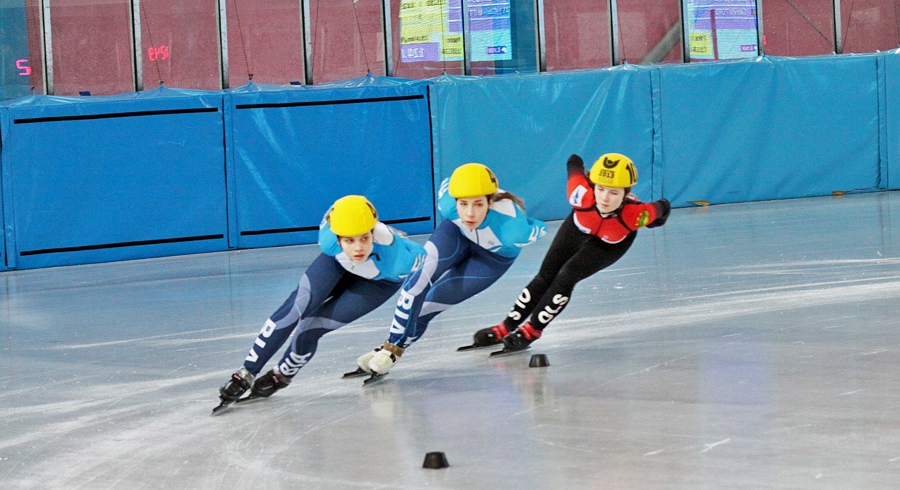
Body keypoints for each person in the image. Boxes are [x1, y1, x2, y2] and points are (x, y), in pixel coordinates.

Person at [217, 195, 427, 404]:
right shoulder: (327, 239)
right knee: (295, 307)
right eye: (349, 240)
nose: (358, 248)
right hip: (337, 263)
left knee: (310, 327)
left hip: (379, 281)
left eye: (364, 238)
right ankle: (246, 373)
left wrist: (396, 344)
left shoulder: (400, 260)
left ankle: (281, 375)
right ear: (337, 238)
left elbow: (423, 269)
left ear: (373, 232)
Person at [356, 163, 547, 375]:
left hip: (492, 258)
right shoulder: (446, 202)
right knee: (416, 282)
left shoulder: (513, 230)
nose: (469, 213)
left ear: (490, 202)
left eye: (478, 204)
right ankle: (390, 348)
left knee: (429, 306)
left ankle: (393, 350)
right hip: (456, 234)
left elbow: (541, 228)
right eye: (463, 204)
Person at [470, 152, 671, 352]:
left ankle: (532, 330)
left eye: (614, 193)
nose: (605, 198)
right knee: (544, 276)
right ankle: (505, 327)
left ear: (626, 194)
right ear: (592, 185)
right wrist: (579, 164)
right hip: (578, 226)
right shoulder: (579, 192)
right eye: (600, 189)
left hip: (611, 242)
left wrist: (656, 221)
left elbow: (663, 207)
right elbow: (573, 162)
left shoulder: (636, 215)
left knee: (567, 276)